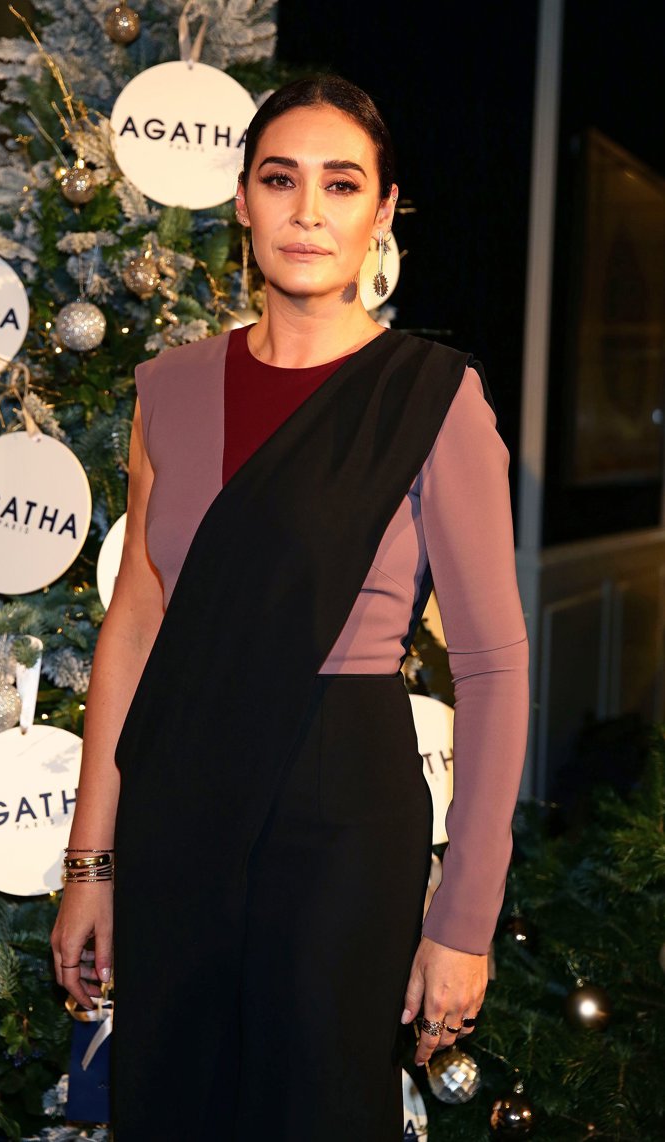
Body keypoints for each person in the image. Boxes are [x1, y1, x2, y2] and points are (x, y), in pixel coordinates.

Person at [51, 74, 529, 1140]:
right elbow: (136, 622)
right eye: (280, 180)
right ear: (243, 201)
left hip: (341, 816)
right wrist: (92, 862)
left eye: (341, 184)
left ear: (383, 210)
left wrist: (464, 916)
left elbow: (493, 667)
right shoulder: (168, 388)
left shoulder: (434, 398)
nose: (308, 210)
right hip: (177, 808)